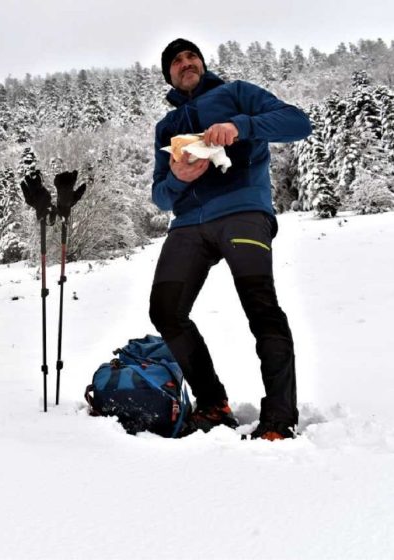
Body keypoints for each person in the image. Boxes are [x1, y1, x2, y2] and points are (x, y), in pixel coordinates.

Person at [149, 38, 312, 441]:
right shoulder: (167, 128)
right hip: (189, 223)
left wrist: (241, 126)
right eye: (177, 61)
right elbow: (159, 195)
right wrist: (177, 178)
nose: (186, 63)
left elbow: (297, 122)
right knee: (166, 310)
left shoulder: (237, 94)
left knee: (261, 307)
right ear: (168, 74)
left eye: (192, 56)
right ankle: (213, 405)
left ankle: (279, 418)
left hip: (242, 210)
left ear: (202, 64)